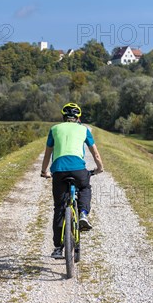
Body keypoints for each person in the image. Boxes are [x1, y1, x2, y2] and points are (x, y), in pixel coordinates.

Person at [40, 103, 104, 259]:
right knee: (85, 187)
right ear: (78, 118)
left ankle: (57, 248)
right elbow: (95, 154)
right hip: (78, 169)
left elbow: (47, 154)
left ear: (63, 117)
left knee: (59, 208)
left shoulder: (54, 129)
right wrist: (99, 168)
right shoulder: (84, 130)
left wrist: (44, 172)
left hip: (59, 171)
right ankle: (82, 214)